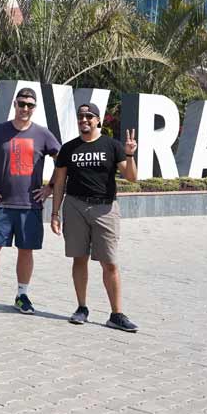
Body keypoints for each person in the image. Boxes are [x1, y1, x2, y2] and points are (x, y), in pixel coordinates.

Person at [0, 87, 60, 313]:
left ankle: (22, 295)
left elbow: (63, 162)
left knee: (25, 251)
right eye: (21, 104)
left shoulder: (43, 134)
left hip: (29, 205)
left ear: (34, 108)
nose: (25, 108)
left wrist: (49, 187)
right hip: (0, 203)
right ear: (15, 105)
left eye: (30, 105)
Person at [50, 102, 140, 332]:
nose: (84, 120)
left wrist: (129, 154)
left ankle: (116, 314)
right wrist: (54, 213)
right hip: (75, 207)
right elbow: (59, 182)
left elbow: (131, 177)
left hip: (105, 209)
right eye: (81, 116)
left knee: (109, 262)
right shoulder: (69, 148)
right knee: (79, 258)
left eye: (89, 116)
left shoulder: (112, 145)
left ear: (98, 120)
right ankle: (82, 308)